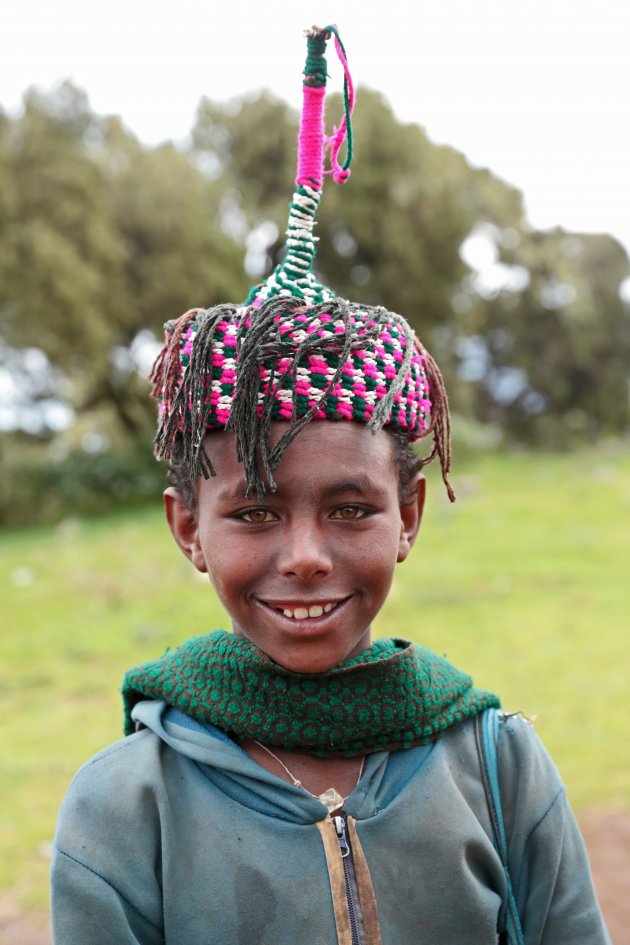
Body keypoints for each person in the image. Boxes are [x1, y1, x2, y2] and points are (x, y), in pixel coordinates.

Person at [50, 25, 610, 945]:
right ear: (187, 526)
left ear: (410, 513)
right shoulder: (123, 809)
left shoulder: (499, 767)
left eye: (351, 509)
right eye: (255, 511)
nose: (305, 558)